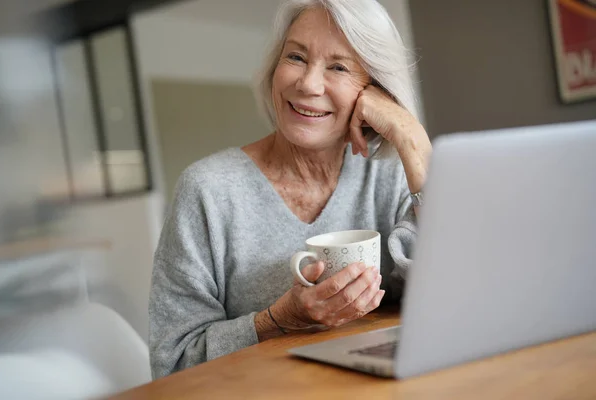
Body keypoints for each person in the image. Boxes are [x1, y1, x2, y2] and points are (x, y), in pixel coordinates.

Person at [149, 0, 432, 378]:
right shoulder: (208, 191)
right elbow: (173, 362)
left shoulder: (389, 177)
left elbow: (452, 293)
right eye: (296, 57)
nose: (308, 84)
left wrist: (412, 138)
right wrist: (278, 321)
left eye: (338, 67)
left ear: (375, 91)